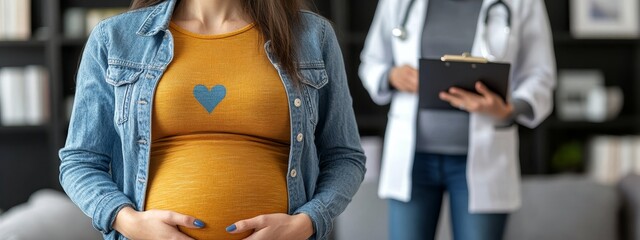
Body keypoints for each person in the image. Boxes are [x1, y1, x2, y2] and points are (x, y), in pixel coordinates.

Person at [59, 0, 366, 239]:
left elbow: (344, 156)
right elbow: (80, 161)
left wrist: (306, 223)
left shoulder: (312, 36)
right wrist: (130, 222)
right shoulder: (114, 38)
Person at [359, 0, 555, 239]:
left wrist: (507, 109)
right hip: (412, 162)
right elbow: (371, 62)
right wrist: (391, 76)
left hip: (484, 158)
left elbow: (541, 76)